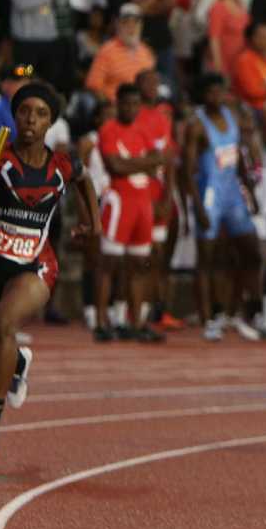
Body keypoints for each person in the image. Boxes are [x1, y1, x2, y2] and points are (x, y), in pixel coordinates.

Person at [0, 82, 95, 451]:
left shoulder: (63, 164)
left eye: (41, 113)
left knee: (3, 325)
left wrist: (90, 221)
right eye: (25, 111)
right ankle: (17, 362)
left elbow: (85, 180)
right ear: (14, 116)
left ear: (51, 122)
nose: (31, 119)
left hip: (35, 266)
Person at [181, 71, 262, 342]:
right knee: (207, 258)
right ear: (203, 96)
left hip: (232, 193)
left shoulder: (232, 116)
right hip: (209, 195)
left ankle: (233, 312)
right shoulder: (197, 125)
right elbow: (187, 171)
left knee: (250, 250)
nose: (217, 96)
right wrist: (198, 207)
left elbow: (238, 155)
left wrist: (250, 190)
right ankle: (208, 319)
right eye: (211, 92)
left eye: (220, 91)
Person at [95, 82, 168, 343]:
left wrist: (131, 164)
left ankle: (136, 321)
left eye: (136, 104)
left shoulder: (143, 130)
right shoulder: (109, 130)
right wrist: (143, 163)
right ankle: (102, 321)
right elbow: (114, 166)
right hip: (119, 202)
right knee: (109, 264)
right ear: (118, 104)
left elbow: (159, 159)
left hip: (142, 202)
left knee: (139, 264)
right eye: (127, 104)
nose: (131, 109)